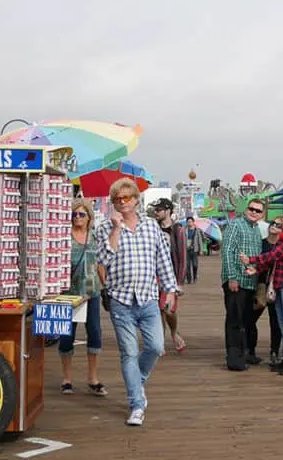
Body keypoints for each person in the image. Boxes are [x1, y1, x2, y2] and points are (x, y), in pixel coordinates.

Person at [96, 178, 179, 427]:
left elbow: (163, 260)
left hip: (147, 297)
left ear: (136, 199)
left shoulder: (152, 227)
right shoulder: (104, 228)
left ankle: (137, 381)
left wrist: (171, 290)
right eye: (117, 200)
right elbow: (103, 259)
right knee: (128, 353)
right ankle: (136, 404)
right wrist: (116, 229)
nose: (122, 203)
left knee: (155, 346)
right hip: (121, 298)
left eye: (127, 198)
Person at [241, 211, 283, 375]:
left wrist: (252, 260)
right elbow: (273, 261)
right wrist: (256, 268)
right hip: (279, 283)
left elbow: (275, 254)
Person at [58, 197, 107, 396]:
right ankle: (67, 378)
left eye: (81, 214)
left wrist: (107, 287)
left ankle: (93, 377)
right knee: (66, 336)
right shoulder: (63, 237)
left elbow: (100, 263)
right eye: (74, 214)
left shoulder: (95, 237)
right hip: (67, 295)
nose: (77, 218)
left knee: (95, 333)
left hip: (91, 292)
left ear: (89, 217)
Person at [220, 198, 265, 370]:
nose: (254, 212)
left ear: (262, 214)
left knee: (246, 320)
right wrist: (232, 277)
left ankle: (247, 352)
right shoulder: (236, 225)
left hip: (250, 282)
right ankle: (234, 359)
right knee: (234, 319)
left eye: (258, 210)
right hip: (236, 280)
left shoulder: (256, 230)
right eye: (251, 209)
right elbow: (228, 250)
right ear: (246, 209)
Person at [152, 198, 187, 354]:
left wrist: (179, 282)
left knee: (168, 310)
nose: (156, 212)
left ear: (167, 210)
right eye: (155, 209)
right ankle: (160, 341)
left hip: (170, 275)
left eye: (159, 209)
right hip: (153, 275)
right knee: (156, 310)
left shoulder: (177, 229)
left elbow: (183, 256)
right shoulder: (153, 228)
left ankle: (174, 332)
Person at [254, 217, 283, 366]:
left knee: (276, 320)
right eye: (273, 224)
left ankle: (274, 351)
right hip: (260, 284)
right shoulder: (262, 242)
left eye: (279, 225)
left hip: (276, 285)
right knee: (252, 317)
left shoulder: (282, 245)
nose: (274, 226)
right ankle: (250, 349)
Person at [184, 216, 204, 283]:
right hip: (186, 250)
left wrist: (201, 250)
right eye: (188, 222)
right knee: (187, 266)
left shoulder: (197, 230)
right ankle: (189, 279)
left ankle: (195, 276)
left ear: (193, 222)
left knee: (195, 265)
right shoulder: (184, 230)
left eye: (190, 222)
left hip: (194, 250)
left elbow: (200, 240)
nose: (189, 223)